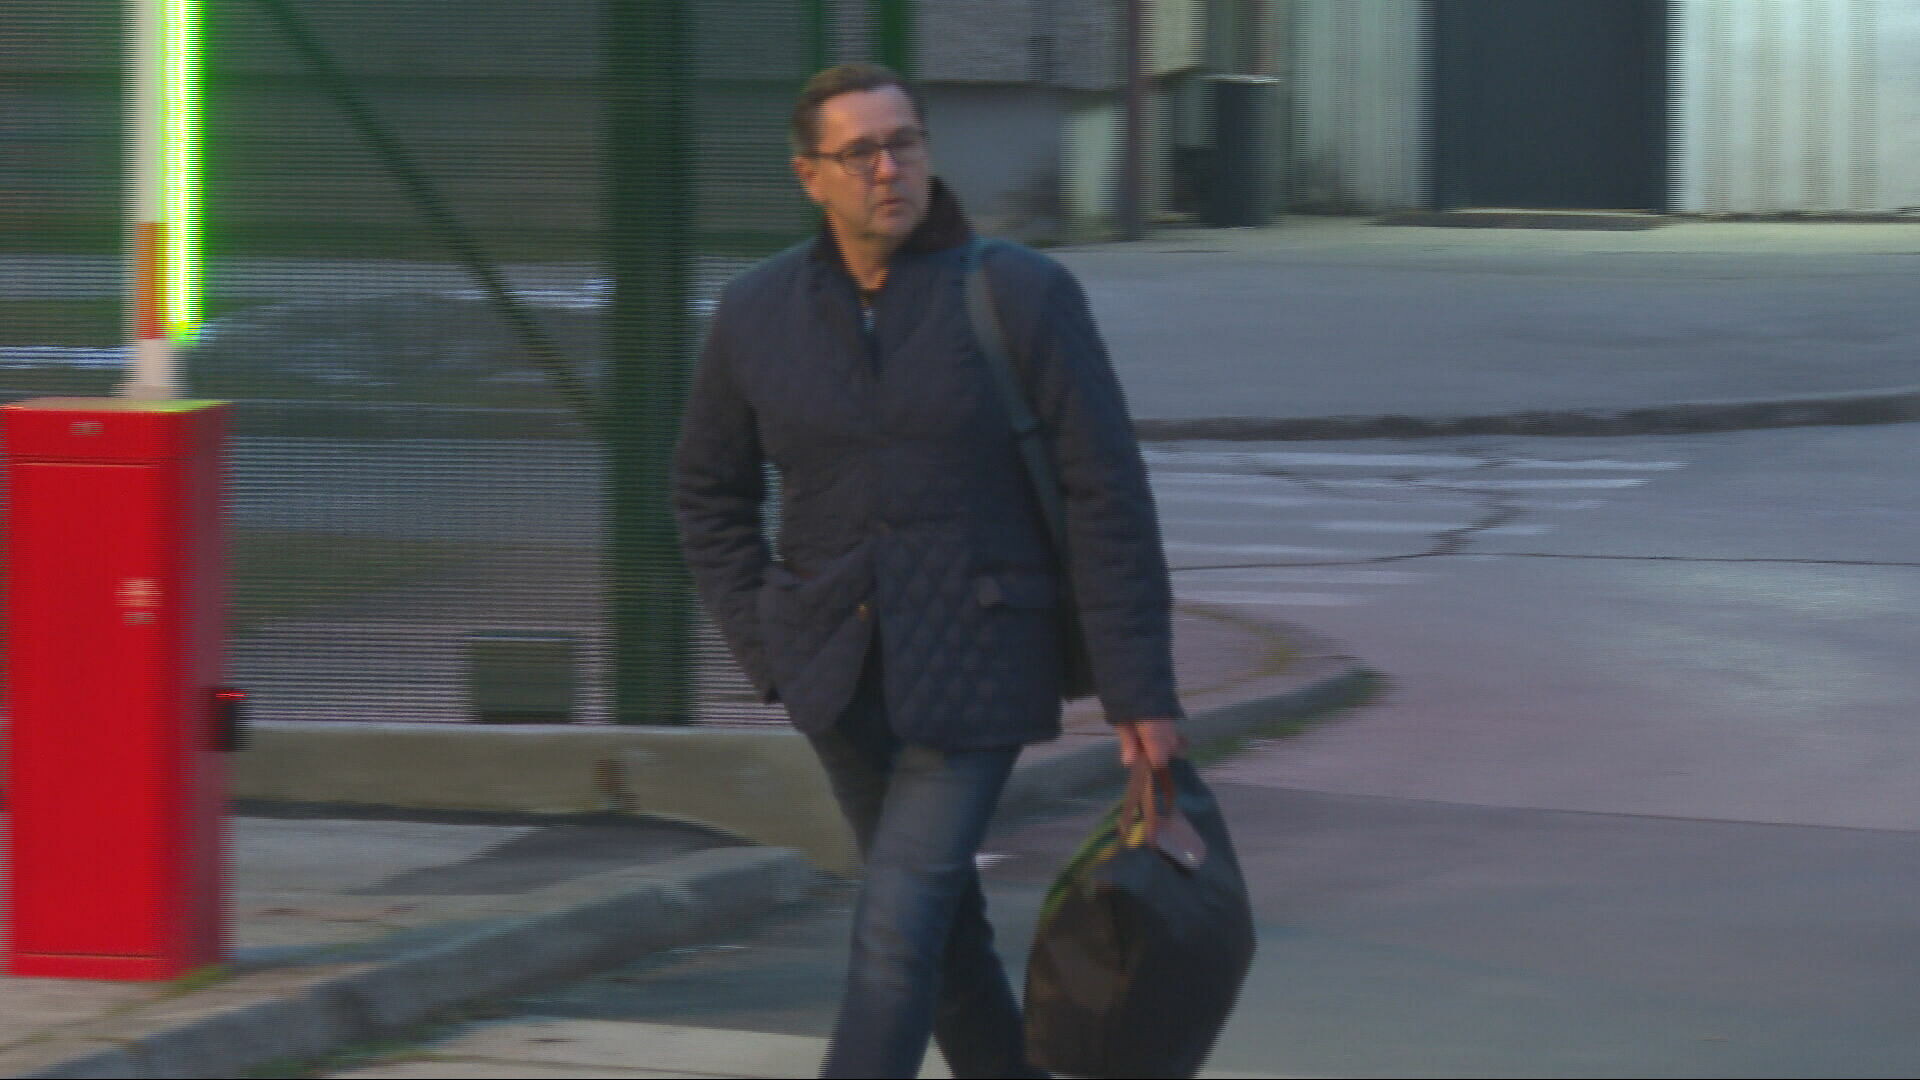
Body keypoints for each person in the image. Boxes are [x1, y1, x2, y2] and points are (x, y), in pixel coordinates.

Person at [673, 62, 1185, 1079]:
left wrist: (1140, 688)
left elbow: (1105, 494)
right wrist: (766, 639)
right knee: (941, 934)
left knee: (896, 927)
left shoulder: (1020, 294)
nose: (887, 169)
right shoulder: (757, 313)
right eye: (859, 152)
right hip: (833, 675)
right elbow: (706, 493)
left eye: (903, 143)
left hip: (980, 667)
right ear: (810, 176)